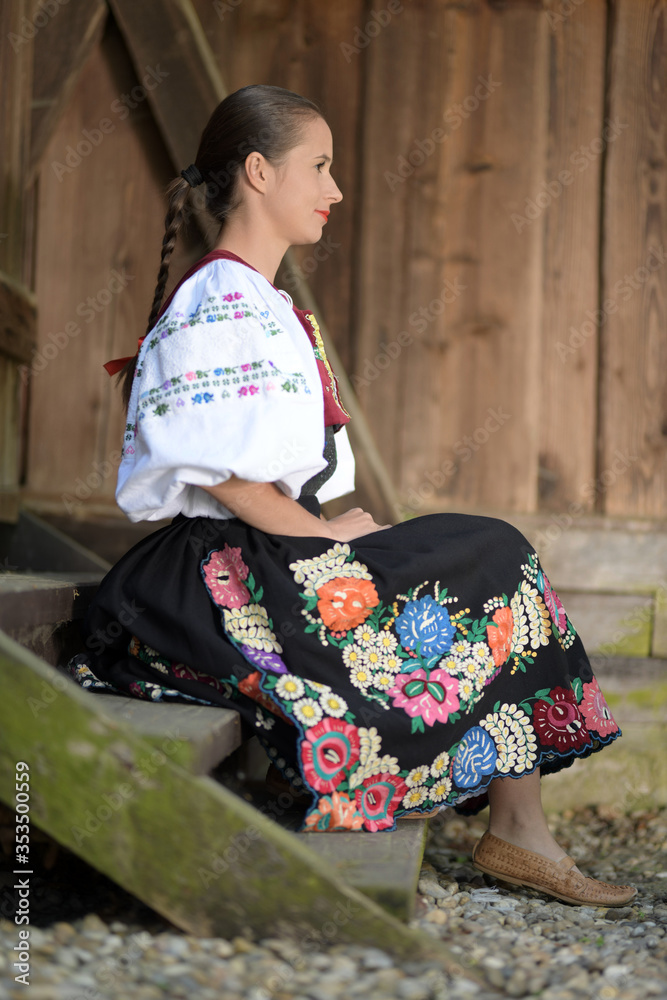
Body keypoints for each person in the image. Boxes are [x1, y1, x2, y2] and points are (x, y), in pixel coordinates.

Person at [67, 84, 636, 907]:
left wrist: (317, 528)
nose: (334, 189)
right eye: (320, 166)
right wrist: (317, 536)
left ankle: (518, 831)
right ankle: (515, 831)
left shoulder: (259, 301)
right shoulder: (215, 299)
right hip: (219, 576)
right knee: (492, 555)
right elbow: (218, 472)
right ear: (259, 172)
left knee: (487, 548)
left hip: (264, 543)